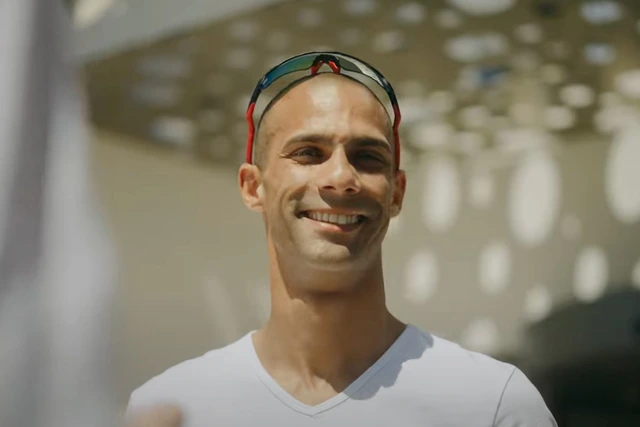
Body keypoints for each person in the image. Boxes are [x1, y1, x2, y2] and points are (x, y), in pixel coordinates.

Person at [126, 52, 557, 427]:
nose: (340, 177)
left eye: (367, 156)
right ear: (253, 187)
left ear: (397, 193)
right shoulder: (174, 407)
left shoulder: (492, 404)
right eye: (308, 153)